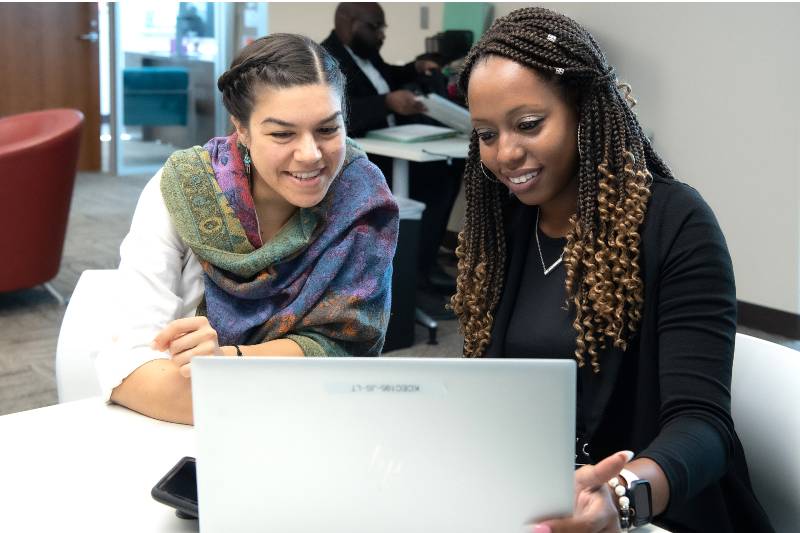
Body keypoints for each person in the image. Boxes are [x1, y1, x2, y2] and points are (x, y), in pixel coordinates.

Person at [450, 7, 773, 533]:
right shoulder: (503, 228)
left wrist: (618, 499)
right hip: (532, 502)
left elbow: (702, 426)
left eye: (528, 125)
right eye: (486, 134)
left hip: (653, 515)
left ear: (583, 109)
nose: (506, 153)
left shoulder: (675, 224)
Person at [96, 34, 399, 425]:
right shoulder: (185, 188)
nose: (310, 154)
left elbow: (349, 351)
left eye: (328, 129)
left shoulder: (362, 199)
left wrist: (229, 363)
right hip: (188, 436)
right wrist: (281, 380)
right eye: (282, 133)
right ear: (241, 128)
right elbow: (127, 364)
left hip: (325, 428)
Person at [322, 2, 463, 294]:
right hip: (364, 158)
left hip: (394, 146)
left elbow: (388, 75)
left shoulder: (368, 55)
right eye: (375, 27)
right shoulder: (327, 60)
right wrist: (386, 102)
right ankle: (416, 271)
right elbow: (339, 112)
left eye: (383, 28)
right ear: (348, 22)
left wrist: (415, 67)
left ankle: (423, 263)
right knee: (436, 182)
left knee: (449, 172)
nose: (381, 35)